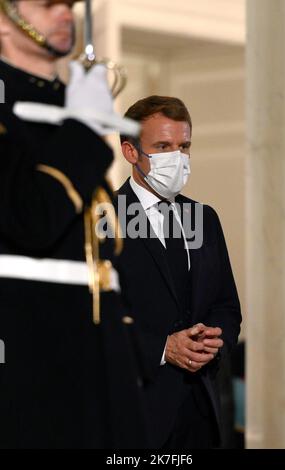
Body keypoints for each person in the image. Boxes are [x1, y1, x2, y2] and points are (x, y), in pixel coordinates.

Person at [0, 0, 147, 449]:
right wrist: (83, 130)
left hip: (97, 351)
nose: (66, 15)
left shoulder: (64, 106)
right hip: (27, 350)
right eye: (48, 5)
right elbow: (33, 219)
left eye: (68, 5)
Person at [118, 95, 242, 449]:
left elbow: (226, 305)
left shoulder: (204, 218)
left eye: (184, 145)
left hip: (201, 407)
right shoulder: (100, 219)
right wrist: (162, 348)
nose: (177, 157)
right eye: (163, 146)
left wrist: (213, 341)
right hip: (137, 408)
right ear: (131, 152)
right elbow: (85, 320)